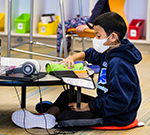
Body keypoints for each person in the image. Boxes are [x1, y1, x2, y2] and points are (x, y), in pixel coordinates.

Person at [12, 12, 142, 129]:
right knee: (68, 94)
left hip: (116, 115)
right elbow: (90, 54)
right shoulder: (110, 51)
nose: (95, 39)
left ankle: (50, 116)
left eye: (98, 35)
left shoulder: (119, 65)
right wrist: (73, 57)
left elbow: (119, 102)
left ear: (113, 37)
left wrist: (88, 107)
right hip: (105, 104)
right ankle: (46, 117)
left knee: (66, 117)